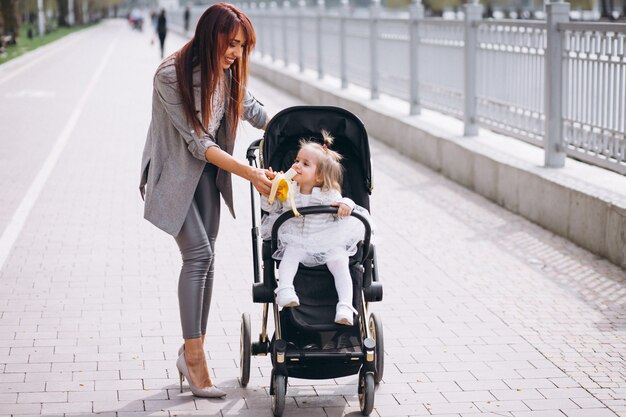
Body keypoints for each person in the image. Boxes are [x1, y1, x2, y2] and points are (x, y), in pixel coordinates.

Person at [139, 2, 272, 398]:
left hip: (206, 177)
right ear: (210, 34)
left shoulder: (227, 72)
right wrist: (250, 174)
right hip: (172, 174)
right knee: (197, 254)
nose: (235, 53)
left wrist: (303, 127)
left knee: (208, 256)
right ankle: (194, 359)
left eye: (242, 47)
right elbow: (198, 142)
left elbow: (255, 111)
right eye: (231, 43)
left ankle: (193, 347)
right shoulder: (169, 75)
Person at [261, 131, 367, 326]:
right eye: (296, 160)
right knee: (290, 255)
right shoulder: (288, 191)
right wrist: (270, 190)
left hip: (326, 242)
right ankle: (285, 289)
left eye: (305, 164)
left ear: (319, 177)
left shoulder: (328, 194)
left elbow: (345, 201)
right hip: (298, 240)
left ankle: (345, 305)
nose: (296, 166)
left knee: (340, 261)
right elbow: (271, 208)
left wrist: (346, 205)